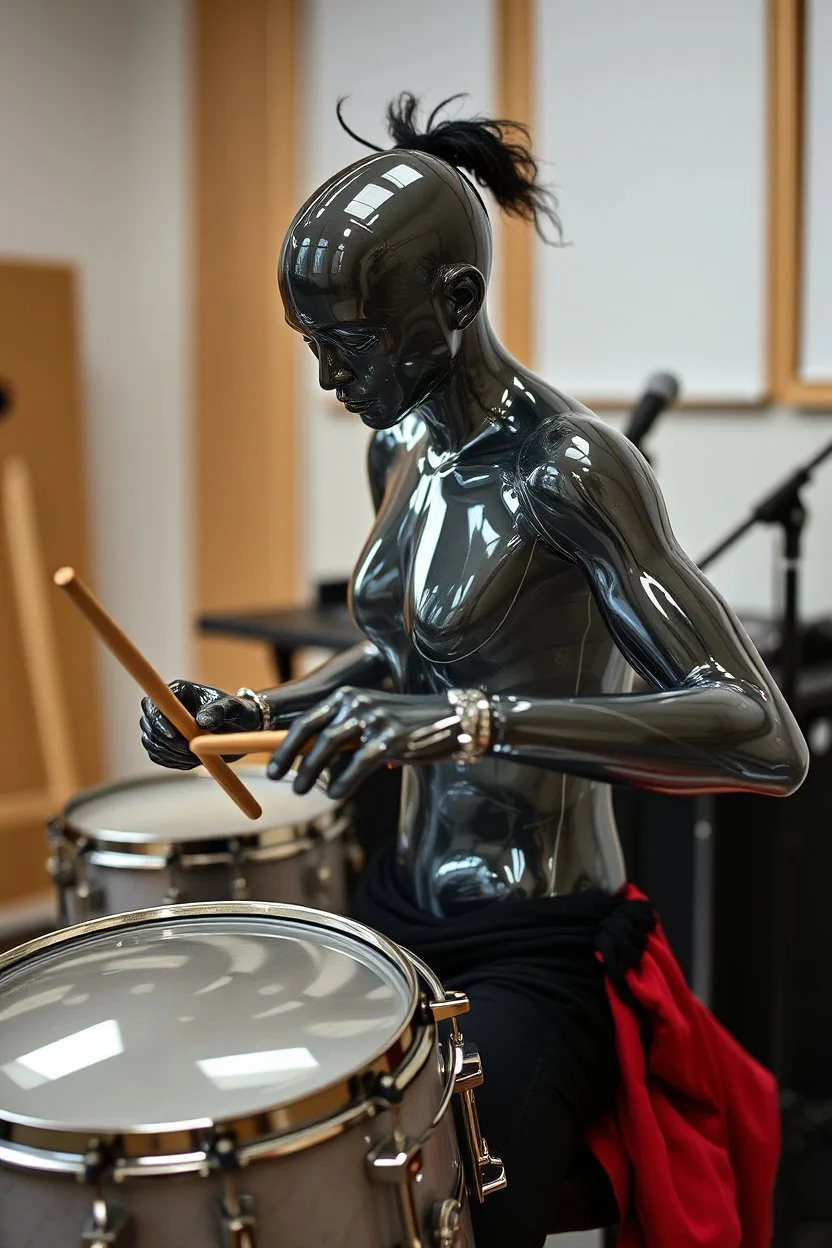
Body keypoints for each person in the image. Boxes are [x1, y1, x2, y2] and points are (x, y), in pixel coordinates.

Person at [141, 96, 808, 1247]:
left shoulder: (571, 471)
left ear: (452, 304)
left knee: (428, 1208)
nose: (325, 381)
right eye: (310, 347)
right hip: (397, 906)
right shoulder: (395, 446)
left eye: (344, 347)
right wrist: (250, 710)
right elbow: (404, 658)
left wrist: (472, 721)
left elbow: (760, 735)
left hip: (537, 942)